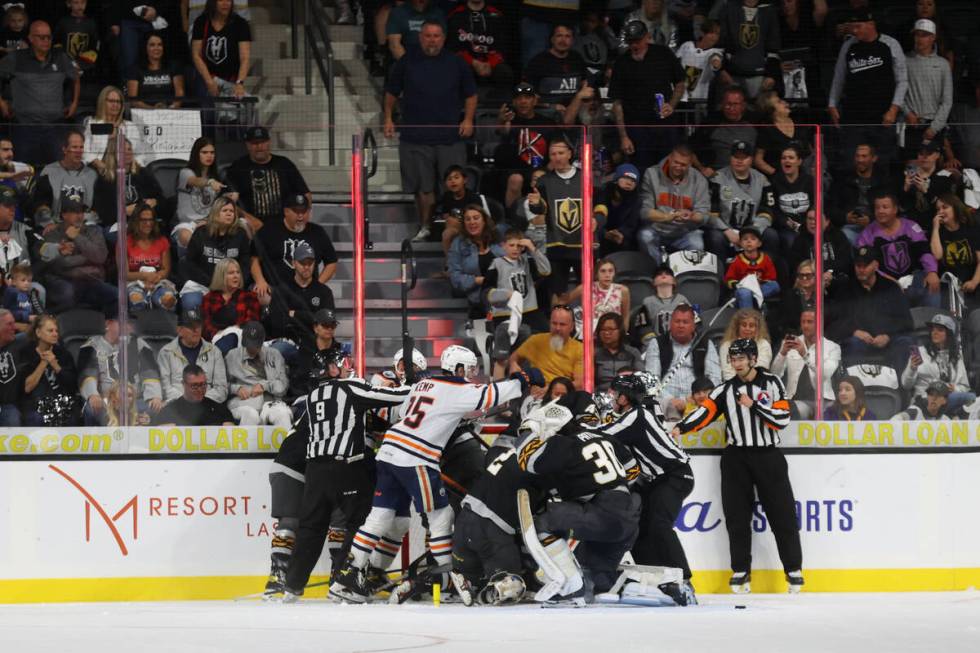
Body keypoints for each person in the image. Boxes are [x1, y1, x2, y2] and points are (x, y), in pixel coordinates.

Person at [329, 346, 542, 603]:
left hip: (388, 450)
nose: (473, 375)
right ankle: (448, 573)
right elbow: (492, 394)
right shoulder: (458, 389)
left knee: (379, 517)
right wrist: (525, 378)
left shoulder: (425, 384)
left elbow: (407, 412)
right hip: (415, 456)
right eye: (471, 369)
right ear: (459, 369)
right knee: (442, 515)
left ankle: (348, 578)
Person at [273, 349, 413, 601]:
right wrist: (411, 383)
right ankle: (343, 580)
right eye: (343, 362)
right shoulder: (350, 388)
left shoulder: (313, 395)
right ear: (332, 369)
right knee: (360, 522)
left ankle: (292, 586)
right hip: (345, 466)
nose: (348, 366)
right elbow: (394, 396)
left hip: (315, 470)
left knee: (310, 528)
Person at [673, 338, 803, 595]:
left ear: (754, 359)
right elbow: (705, 412)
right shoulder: (725, 390)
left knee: (783, 514)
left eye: (742, 358)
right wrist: (681, 427)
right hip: (736, 459)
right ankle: (741, 570)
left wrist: (754, 405)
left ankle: (793, 570)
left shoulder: (772, 383)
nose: (737, 363)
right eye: (733, 359)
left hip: (768, 457)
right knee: (736, 516)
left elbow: (782, 418)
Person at [598, 373, 697, 606]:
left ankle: (684, 580)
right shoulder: (634, 413)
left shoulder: (637, 415)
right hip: (655, 480)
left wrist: (570, 430)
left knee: (659, 525)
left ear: (625, 398)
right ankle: (654, 576)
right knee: (638, 528)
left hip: (675, 476)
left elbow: (602, 434)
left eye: (615, 394)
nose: (612, 398)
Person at [383, 20, 476, 242]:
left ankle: (459, 231)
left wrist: (469, 119)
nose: (432, 40)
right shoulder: (407, 62)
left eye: (436, 36)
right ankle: (425, 227)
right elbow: (391, 92)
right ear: (420, 37)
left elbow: (471, 94)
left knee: (454, 186)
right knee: (422, 188)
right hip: (415, 137)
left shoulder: (457, 63)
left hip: (450, 137)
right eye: (427, 36)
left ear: (443, 38)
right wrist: (388, 118)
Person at [827, 9, 907, 167]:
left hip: (882, 117)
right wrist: (832, 103)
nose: (854, 31)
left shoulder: (890, 44)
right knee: (851, 162)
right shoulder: (848, 46)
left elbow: (902, 80)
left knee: (883, 162)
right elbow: (839, 77)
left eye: (858, 26)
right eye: (852, 27)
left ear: (871, 25)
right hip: (854, 116)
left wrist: (894, 109)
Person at [609, 19, 687, 169]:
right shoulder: (621, 63)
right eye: (631, 42)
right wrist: (624, 136)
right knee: (641, 169)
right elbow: (617, 102)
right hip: (636, 127)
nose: (634, 45)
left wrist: (671, 105)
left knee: (668, 168)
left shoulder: (663, 54)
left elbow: (680, 82)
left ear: (647, 37)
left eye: (637, 41)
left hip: (664, 125)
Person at [0, 20, 79, 167]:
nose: (46, 41)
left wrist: (74, 103)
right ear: (30, 38)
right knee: (22, 172)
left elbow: (75, 77)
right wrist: (1, 102)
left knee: (56, 171)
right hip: (24, 127)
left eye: (48, 37)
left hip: (54, 128)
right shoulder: (16, 58)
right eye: (41, 37)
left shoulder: (60, 58)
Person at [830, 246, 915, 373]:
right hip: (859, 341)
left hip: (889, 340)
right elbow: (834, 321)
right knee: (853, 343)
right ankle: (855, 387)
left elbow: (906, 321)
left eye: (865, 265)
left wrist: (888, 335)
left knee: (904, 342)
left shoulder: (890, 288)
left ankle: (902, 388)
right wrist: (854, 331)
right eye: (858, 265)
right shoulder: (845, 290)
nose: (861, 269)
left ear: (875, 265)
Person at [78, 307, 164, 426]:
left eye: (130, 323)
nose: (129, 327)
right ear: (108, 323)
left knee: (155, 408)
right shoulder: (91, 346)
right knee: (91, 410)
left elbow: (150, 373)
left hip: (134, 402)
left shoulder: (139, 344)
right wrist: (93, 394)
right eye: (124, 322)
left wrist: (154, 396)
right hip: (106, 401)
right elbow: (88, 374)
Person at [855, 192, 940, 308]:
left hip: (915, 277)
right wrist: (889, 280)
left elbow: (924, 251)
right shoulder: (867, 234)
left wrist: (932, 272)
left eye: (885, 207)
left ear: (895, 209)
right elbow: (868, 265)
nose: (880, 211)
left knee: (933, 285)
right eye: (877, 208)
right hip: (884, 282)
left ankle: (935, 324)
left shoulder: (911, 227)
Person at [250, 194, 337, 305]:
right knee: (261, 295)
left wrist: (316, 285)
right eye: (296, 212)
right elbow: (254, 258)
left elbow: (332, 262)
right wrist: (260, 281)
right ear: (286, 211)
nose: (300, 216)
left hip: (305, 288)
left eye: (304, 211)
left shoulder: (318, 232)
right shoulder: (269, 230)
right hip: (275, 288)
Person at [526, 139, 584, 303]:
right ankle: (558, 324)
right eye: (553, 154)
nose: (557, 157)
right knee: (557, 291)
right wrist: (536, 204)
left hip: (583, 243)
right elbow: (540, 209)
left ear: (569, 154)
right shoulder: (544, 181)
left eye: (560, 153)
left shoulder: (586, 177)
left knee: (589, 288)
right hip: (556, 243)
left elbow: (599, 205)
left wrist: (596, 220)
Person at [38, 193, 117, 314]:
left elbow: (101, 257)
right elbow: (60, 263)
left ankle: (110, 328)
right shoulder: (53, 233)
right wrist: (88, 258)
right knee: (67, 294)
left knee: (116, 296)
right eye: (74, 212)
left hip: (91, 280)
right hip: (64, 280)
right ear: (64, 214)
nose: (79, 216)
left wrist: (77, 237)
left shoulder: (93, 231)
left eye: (81, 211)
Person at [484, 227, 551, 367]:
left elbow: (546, 270)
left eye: (519, 246)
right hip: (505, 313)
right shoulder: (497, 264)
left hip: (529, 311)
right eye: (511, 245)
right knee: (515, 343)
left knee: (547, 334)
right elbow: (487, 292)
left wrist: (532, 248)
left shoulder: (527, 261)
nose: (515, 249)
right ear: (503, 245)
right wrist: (506, 294)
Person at [637, 143, 710, 266]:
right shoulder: (652, 174)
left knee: (697, 244)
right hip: (657, 229)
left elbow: (704, 215)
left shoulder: (699, 179)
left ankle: (684, 280)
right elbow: (644, 211)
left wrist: (691, 216)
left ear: (690, 164)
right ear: (669, 158)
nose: (678, 167)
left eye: (683, 165)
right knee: (645, 236)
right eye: (676, 162)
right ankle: (658, 272)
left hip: (685, 231)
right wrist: (668, 217)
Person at [225, 126, 311, 231]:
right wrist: (249, 219)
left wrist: (299, 218)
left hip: (284, 225)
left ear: (269, 142)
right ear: (247, 145)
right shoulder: (238, 167)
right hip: (251, 226)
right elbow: (225, 201)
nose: (259, 146)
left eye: (263, 142)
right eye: (254, 143)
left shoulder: (284, 164)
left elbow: (306, 194)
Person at [492, 82, 559, 212]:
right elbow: (502, 132)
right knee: (516, 179)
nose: (523, 101)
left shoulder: (547, 122)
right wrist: (502, 121)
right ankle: (513, 218)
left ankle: (543, 217)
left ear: (534, 101)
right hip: (514, 169)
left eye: (527, 97)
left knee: (539, 176)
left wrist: (547, 170)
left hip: (540, 167)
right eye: (519, 98)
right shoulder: (509, 120)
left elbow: (556, 149)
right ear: (514, 102)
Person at [644, 303, 722, 414]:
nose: (681, 325)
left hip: (697, 400)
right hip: (664, 402)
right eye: (677, 321)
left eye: (685, 322)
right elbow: (651, 379)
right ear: (670, 323)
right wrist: (670, 400)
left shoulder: (705, 343)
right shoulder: (657, 343)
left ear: (693, 325)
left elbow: (715, 377)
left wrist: (701, 396)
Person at [707, 141, 777, 259]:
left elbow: (767, 211)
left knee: (772, 235)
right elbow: (710, 212)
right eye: (736, 157)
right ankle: (720, 274)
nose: (739, 161)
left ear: (751, 159)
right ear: (730, 158)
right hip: (725, 229)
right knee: (715, 238)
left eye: (744, 157)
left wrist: (753, 232)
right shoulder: (717, 179)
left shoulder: (762, 180)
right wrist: (726, 230)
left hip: (754, 228)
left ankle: (766, 273)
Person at [182, 197, 252, 313]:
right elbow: (190, 263)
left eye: (232, 211)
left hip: (231, 287)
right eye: (225, 211)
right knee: (191, 302)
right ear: (215, 213)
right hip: (203, 285)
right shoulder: (201, 233)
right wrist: (211, 283)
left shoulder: (240, 235)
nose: (229, 214)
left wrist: (234, 284)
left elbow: (244, 264)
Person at [771, 307, 840, 419]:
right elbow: (775, 375)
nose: (805, 326)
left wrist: (805, 355)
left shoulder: (832, 347)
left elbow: (825, 374)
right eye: (803, 322)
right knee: (783, 410)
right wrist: (782, 353)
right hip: (795, 401)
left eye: (810, 322)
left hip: (824, 402)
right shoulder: (791, 342)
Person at [224, 321, 292, 427]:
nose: (252, 348)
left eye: (256, 345)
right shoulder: (232, 356)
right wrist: (236, 389)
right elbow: (221, 385)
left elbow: (283, 386)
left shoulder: (274, 354)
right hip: (243, 402)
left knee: (283, 414)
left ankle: (287, 444)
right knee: (251, 415)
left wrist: (264, 385)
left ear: (262, 340)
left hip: (270, 402)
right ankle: (246, 444)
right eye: (249, 344)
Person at [901, 313, 973, 413]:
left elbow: (964, 387)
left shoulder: (956, 356)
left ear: (949, 334)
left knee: (972, 398)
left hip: (948, 399)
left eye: (940, 330)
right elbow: (906, 385)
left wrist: (954, 388)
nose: (934, 333)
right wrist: (912, 368)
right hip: (925, 399)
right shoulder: (920, 352)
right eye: (933, 329)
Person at [901, 18, 953, 156]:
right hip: (911, 125)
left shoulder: (943, 64)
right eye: (917, 34)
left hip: (934, 125)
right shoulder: (904, 61)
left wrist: (934, 128)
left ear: (933, 38)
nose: (919, 38)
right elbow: (898, 93)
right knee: (911, 168)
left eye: (924, 35)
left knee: (934, 167)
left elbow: (947, 100)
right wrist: (907, 113)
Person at [157, 309, 229, 404]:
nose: (196, 330)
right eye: (190, 326)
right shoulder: (166, 352)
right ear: (179, 330)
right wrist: (186, 401)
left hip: (208, 406)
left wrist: (201, 400)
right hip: (177, 406)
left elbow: (221, 388)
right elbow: (165, 387)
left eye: (198, 325)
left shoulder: (214, 352)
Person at [18, 314, 79, 426]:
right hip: (35, 404)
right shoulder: (26, 353)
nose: (55, 334)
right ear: (38, 333)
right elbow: (27, 387)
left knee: (72, 417)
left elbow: (73, 386)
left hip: (62, 403)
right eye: (50, 331)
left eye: (56, 331)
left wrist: (56, 365)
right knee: (36, 418)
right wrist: (44, 362)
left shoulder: (64, 354)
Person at [174, 137, 234, 250]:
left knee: (241, 226)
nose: (209, 156)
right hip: (189, 224)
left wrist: (227, 198)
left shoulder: (216, 177)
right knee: (187, 237)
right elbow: (195, 181)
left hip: (210, 223)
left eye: (212, 153)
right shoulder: (186, 173)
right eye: (204, 152)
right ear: (196, 154)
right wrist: (210, 182)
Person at [31, 130, 98, 229]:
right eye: (74, 147)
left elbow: (97, 209)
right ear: (64, 149)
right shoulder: (49, 172)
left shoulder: (92, 175)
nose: (79, 151)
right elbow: (40, 204)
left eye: (81, 147)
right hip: (54, 225)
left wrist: (82, 225)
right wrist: (48, 223)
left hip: (84, 226)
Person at [447, 204, 503, 320]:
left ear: (484, 221)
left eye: (476, 218)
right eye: (468, 219)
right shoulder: (458, 244)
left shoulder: (498, 238)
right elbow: (455, 277)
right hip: (478, 299)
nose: (472, 222)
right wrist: (478, 280)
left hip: (504, 296)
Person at [716, 0, 782, 98]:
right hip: (732, 75)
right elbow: (720, 43)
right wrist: (721, 70)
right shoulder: (728, 8)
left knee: (756, 111)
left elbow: (773, 47)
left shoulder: (769, 10)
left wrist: (771, 74)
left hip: (759, 76)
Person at [508, 305, 584, 389]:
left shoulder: (580, 349)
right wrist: (513, 365)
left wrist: (551, 389)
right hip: (534, 392)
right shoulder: (536, 340)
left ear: (572, 326)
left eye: (562, 324)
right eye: (554, 323)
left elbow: (579, 383)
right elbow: (514, 358)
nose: (557, 328)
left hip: (562, 394)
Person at [827, 143, 889, 245]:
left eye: (864, 156)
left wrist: (871, 219)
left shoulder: (883, 180)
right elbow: (830, 208)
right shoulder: (842, 179)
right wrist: (845, 217)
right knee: (844, 236)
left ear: (874, 158)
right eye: (857, 156)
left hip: (877, 225)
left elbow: (891, 208)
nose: (860, 160)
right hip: (849, 227)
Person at [190, 0, 252, 103]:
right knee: (208, 109)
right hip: (206, 77)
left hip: (230, 79)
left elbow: (245, 58)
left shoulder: (241, 24)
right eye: (221, 0)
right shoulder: (201, 22)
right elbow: (196, 55)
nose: (225, 3)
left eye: (228, 0)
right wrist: (209, 81)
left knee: (242, 107)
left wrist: (240, 83)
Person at [690, 86, 757, 178]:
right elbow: (689, 148)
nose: (731, 108)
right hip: (718, 175)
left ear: (743, 106)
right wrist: (702, 168)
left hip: (748, 175)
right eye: (727, 104)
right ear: (722, 104)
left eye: (735, 104)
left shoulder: (755, 121)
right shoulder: (712, 121)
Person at [445, 0, 512, 89]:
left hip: (491, 62)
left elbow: (503, 46)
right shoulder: (455, 15)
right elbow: (453, 48)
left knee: (505, 73)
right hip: (465, 62)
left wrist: (490, 63)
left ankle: (500, 103)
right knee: (456, 70)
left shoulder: (497, 15)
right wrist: (473, 62)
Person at [930, 193, 980, 309]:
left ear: (955, 208)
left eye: (945, 207)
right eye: (938, 209)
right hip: (949, 285)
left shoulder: (971, 228)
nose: (940, 211)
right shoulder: (937, 233)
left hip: (973, 279)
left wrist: (974, 281)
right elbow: (937, 255)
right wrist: (936, 228)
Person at [763, 143, 814, 252]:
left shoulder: (809, 181)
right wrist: (786, 222)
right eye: (784, 158)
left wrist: (806, 224)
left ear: (799, 161)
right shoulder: (774, 182)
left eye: (791, 158)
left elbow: (815, 205)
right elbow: (772, 209)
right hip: (785, 228)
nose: (787, 161)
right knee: (791, 241)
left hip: (808, 226)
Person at [201, 257, 261, 349]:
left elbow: (252, 322)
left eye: (238, 272)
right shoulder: (209, 298)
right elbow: (205, 325)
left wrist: (234, 329)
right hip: (215, 340)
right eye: (231, 273)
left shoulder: (249, 297)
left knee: (233, 336)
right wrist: (218, 333)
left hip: (242, 340)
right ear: (221, 276)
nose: (236, 276)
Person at [523, 23, 586, 110]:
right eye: (559, 36)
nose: (563, 40)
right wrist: (550, 106)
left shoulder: (577, 59)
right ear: (552, 39)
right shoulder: (538, 61)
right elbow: (526, 96)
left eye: (567, 36)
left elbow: (584, 85)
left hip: (574, 111)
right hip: (546, 112)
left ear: (572, 40)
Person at [82, 86, 144, 171]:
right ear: (102, 102)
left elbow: (140, 154)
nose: (115, 105)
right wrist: (101, 166)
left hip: (125, 170)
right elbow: (85, 151)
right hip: (99, 169)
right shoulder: (93, 124)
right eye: (111, 101)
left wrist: (131, 167)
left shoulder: (131, 126)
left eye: (118, 102)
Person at [155, 364, 237, 426]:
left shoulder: (219, 410)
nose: (200, 389)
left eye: (203, 384)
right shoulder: (169, 411)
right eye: (194, 386)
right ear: (183, 384)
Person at [900, 139, 954, 230]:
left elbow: (946, 208)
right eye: (921, 154)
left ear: (937, 155)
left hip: (935, 225)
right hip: (910, 225)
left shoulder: (944, 177)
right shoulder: (907, 175)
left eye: (928, 154)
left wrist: (926, 191)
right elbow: (901, 206)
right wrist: (905, 188)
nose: (924, 157)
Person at [724, 227, 780, 309]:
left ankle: (753, 300)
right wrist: (738, 285)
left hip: (759, 288)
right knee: (745, 292)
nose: (749, 241)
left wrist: (756, 285)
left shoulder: (766, 258)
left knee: (775, 285)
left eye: (753, 239)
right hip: (742, 291)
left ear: (759, 243)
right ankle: (749, 317)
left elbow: (771, 278)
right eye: (745, 239)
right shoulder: (737, 260)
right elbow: (728, 280)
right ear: (741, 244)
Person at [127, 32, 185, 109]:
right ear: (145, 47)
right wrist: (153, 110)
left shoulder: (174, 66)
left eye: (159, 45)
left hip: (170, 112)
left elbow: (179, 95)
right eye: (152, 45)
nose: (156, 48)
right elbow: (133, 99)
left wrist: (170, 108)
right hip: (144, 112)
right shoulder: (135, 69)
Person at [568, 259, 630, 330]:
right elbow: (564, 301)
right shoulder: (586, 288)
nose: (607, 275)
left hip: (613, 334)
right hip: (591, 334)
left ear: (614, 273)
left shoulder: (622, 290)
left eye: (610, 271)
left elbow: (625, 316)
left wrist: (624, 336)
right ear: (597, 274)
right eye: (603, 271)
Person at [594, 163, 641, 257]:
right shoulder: (602, 191)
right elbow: (595, 217)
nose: (629, 183)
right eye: (625, 178)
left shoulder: (637, 199)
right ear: (616, 179)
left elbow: (632, 224)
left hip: (621, 236)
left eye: (633, 181)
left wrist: (621, 233)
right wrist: (604, 233)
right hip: (601, 232)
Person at [638, 264, 690, 344]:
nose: (663, 275)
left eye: (668, 274)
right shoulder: (648, 302)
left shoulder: (682, 300)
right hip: (655, 345)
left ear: (674, 281)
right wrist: (655, 344)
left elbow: (694, 322)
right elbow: (643, 327)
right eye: (659, 274)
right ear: (653, 282)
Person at [675, 18, 724, 102]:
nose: (714, 37)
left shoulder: (716, 52)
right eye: (711, 33)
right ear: (703, 33)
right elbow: (675, 62)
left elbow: (715, 58)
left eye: (717, 34)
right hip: (679, 96)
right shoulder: (687, 45)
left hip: (699, 100)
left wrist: (716, 62)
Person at [718, 307, 773, 380]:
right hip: (733, 386)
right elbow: (728, 374)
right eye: (744, 325)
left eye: (751, 326)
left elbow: (761, 370)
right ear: (737, 327)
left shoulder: (764, 344)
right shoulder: (726, 346)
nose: (747, 329)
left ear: (757, 328)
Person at [594, 312, 643, 391]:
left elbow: (641, 378)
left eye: (611, 329)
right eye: (603, 329)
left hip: (626, 394)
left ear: (620, 331)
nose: (606, 333)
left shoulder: (633, 352)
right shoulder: (593, 353)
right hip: (601, 394)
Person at [0, 309, 25, 425]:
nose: (14, 327)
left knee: (12, 418)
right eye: (9, 324)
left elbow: (40, 330)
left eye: (14, 323)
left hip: (8, 406)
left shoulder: (20, 342)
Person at [899, 380, 965, 420]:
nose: (934, 398)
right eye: (931, 394)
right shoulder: (916, 410)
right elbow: (901, 417)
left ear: (945, 400)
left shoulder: (946, 417)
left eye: (938, 395)